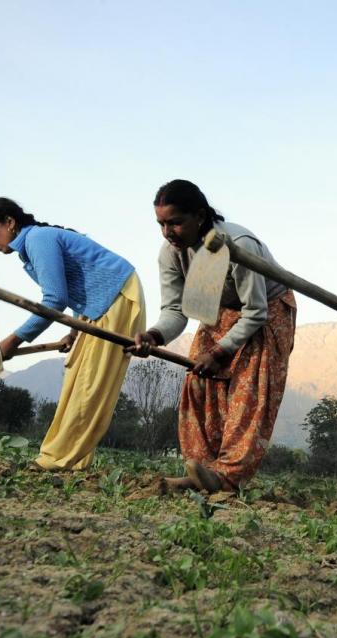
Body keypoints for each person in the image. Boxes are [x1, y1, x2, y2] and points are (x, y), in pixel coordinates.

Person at [130, 179, 296, 493]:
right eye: (161, 224)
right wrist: (154, 335)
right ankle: (203, 472)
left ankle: (227, 477)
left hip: (265, 311)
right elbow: (176, 309)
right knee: (199, 382)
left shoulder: (238, 244)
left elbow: (256, 311)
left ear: (201, 216)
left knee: (249, 395)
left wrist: (221, 351)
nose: (168, 232)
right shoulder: (171, 254)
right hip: (217, 310)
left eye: (176, 223)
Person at [0, 197, 145, 470]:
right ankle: (70, 458)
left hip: (116, 296)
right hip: (99, 304)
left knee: (90, 383)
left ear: (9, 222)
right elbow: (81, 285)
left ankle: (57, 459)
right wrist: (74, 332)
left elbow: (55, 299)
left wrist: (15, 339)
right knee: (77, 375)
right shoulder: (33, 244)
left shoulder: (38, 240)